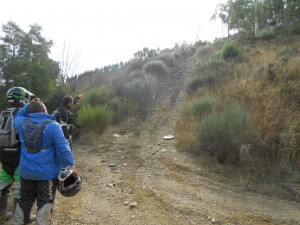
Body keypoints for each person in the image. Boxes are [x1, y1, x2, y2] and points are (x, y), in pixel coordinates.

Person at [12, 99, 75, 225]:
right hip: (47, 175)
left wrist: (29, 105)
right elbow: (63, 147)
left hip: (26, 173)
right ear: (43, 111)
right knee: (45, 202)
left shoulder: (21, 123)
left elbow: (18, 115)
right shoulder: (53, 125)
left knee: (24, 200)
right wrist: (70, 164)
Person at [0, 87, 34, 223]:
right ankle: (19, 219)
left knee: (2, 187)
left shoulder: (4, 113)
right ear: (22, 98)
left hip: (4, 157)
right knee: (21, 190)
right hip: (20, 158)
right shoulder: (23, 114)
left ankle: (1, 216)